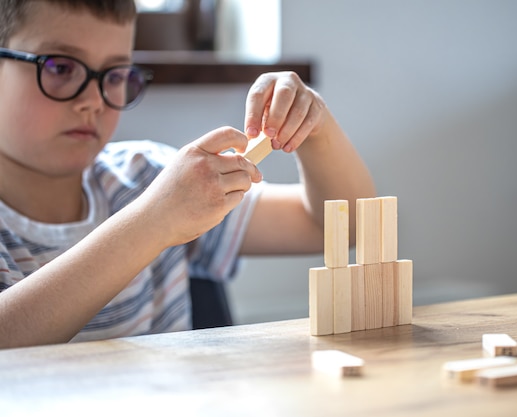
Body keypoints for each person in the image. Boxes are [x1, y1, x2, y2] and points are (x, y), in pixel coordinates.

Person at [0, 0, 376, 349]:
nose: (93, 100)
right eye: (60, 67)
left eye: (114, 75)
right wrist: (153, 221)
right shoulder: (159, 198)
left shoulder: (145, 175)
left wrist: (315, 126)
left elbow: (338, 224)